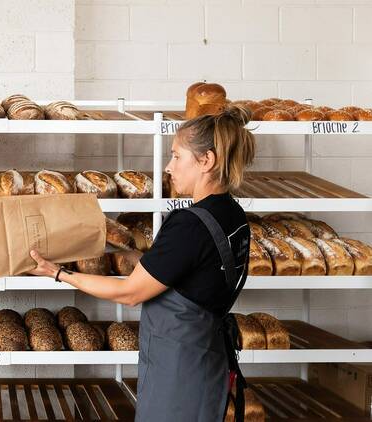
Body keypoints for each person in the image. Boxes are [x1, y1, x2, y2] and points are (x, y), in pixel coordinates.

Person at [29, 105, 256, 422]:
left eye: (177, 156)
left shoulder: (190, 225)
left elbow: (131, 293)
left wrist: (58, 273)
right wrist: (117, 249)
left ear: (207, 161)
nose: (168, 167)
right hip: (207, 359)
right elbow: (184, 273)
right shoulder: (232, 214)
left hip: (178, 373)